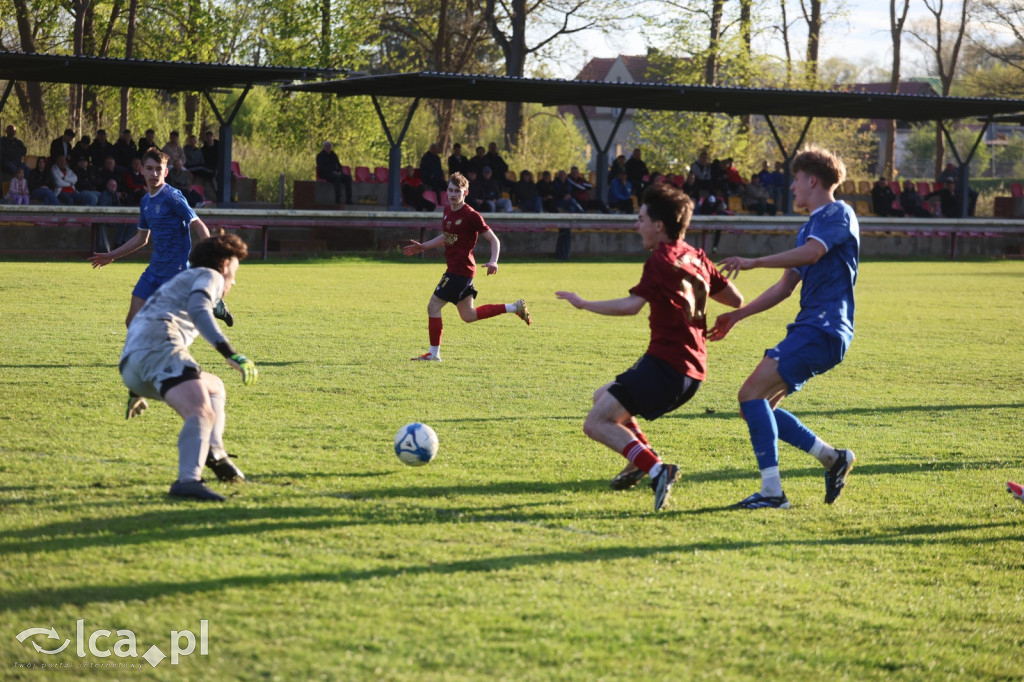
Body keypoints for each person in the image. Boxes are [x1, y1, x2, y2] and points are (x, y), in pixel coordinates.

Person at [556, 183, 743, 511]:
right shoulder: (697, 257)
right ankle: (641, 461)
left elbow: (631, 306)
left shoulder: (660, 260)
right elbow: (735, 299)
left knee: (595, 423)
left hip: (667, 365)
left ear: (659, 226)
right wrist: (728, 317)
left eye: (641, 218)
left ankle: (656, 469)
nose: (636, 224)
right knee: (603, 396)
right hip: (692, 369)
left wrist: (584, 303)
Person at [710, 146, 859, 509]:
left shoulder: (838, 213)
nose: (791, 187)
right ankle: (832, 458)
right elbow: (784, 287)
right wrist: (737, 315)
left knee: (749, 395)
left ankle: (773, 493)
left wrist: (753, 260)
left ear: (811, 180)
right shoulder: (810, 227)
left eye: (795, 180)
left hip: (823, 329)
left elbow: (812, 254)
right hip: (811, 329)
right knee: (758, 408)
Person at [118, 233, 256, 502]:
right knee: (200, 412)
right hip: (158, 349)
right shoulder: (210, 276)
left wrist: (136, 390)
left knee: (214, 387)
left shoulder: (183, 279)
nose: (234, 281)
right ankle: (188, 481)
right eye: (235, 272)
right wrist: (229, 352)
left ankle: (214, 452)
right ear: (225, 265)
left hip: (132, 367)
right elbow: (200, 310)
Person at [401, 172, 531, 362]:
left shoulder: (471, 215)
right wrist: (424, 246)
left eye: (458, 191)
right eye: (451, 190)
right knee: (468, 315)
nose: (453, 194)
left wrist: (494, 260)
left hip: (459, 271)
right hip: (458, 269)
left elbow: (493, 239)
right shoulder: (447, 211)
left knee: (433, 306)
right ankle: (514, 307)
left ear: (466, 192)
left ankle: (434, 353)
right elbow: (446, 237)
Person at [315, 140, 353, 205]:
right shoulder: (320, 156)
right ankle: (337, 199)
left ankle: (348, 199)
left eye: (329, 146)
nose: (328, 148)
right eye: (326, 146)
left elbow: (339, 165)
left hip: (335, 173)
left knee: (348, 178)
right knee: (337, 178)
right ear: (324, 147)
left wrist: (340, 172)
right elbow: (321, 168)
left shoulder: (333, 155)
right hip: (325, 174)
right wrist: (332, 172)